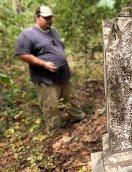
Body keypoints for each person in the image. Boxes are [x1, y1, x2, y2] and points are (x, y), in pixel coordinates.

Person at [14, 5, 85, 133]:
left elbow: (58, 50)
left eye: (50, 18)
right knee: (50, 106)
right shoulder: (28, 34)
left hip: (63, 76)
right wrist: (44, 64)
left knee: (72, 99)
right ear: (37, 17)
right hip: (46, 79)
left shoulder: (53, 31)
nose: (49, 20)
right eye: (46, 18)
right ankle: (55, 131)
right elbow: (22, 54)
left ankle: (78, 119)